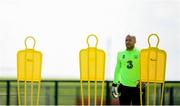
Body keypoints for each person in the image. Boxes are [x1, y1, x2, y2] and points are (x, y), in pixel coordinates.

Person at [112, 35, 143, 105]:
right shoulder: (120, 54)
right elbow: (117, 70)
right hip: (124, 87)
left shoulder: (140, 53)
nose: (127, 42)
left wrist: (144, 81)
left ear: (135, 41)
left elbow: (145, 68)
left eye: (130, 40)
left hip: (137, 87)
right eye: (126, 40)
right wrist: (114, 84)